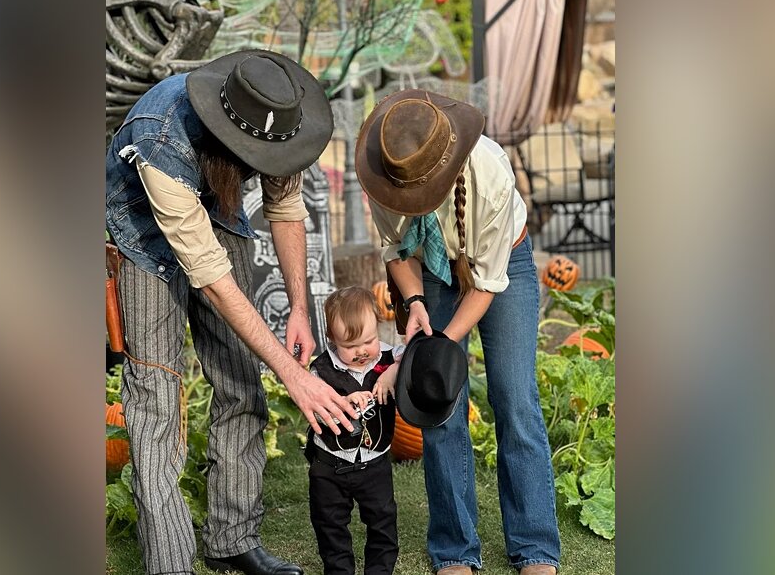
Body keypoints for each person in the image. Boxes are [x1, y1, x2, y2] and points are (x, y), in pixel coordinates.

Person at [106, 50, 357, 575]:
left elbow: (285, 210)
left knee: (242, 380)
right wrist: (294, 376)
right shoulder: (161, 137)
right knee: (155, 397)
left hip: (214, 205)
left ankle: (232, 538)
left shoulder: (278, 119)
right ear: (228, 137)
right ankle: (170, 562)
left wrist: (299, 311)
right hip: (142, 228)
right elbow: (213, 280)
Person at [354, 90, 562, 575]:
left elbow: (487, 283)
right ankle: (454, 551)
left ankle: (535, 549)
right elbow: (394, 249)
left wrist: (441, 345)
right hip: (432, 269)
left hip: (504, 265)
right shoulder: (386, 169)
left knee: (514, 398)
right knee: (439, 405)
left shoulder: (490, 171)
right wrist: (417, 302)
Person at [304, 287, 402, 575]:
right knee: (329, 523)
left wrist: (392, 373)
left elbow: (416, 351)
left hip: (375, 463)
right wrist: (343, 402)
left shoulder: (388, 356)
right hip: (330, 464)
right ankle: (338, 570)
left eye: (369, 341)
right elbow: (315, 406)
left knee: (382, 520)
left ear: (378, 328)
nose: (361, 351)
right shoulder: (320, 370)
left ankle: (379, 570)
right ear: (332, 340)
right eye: (350, 346)